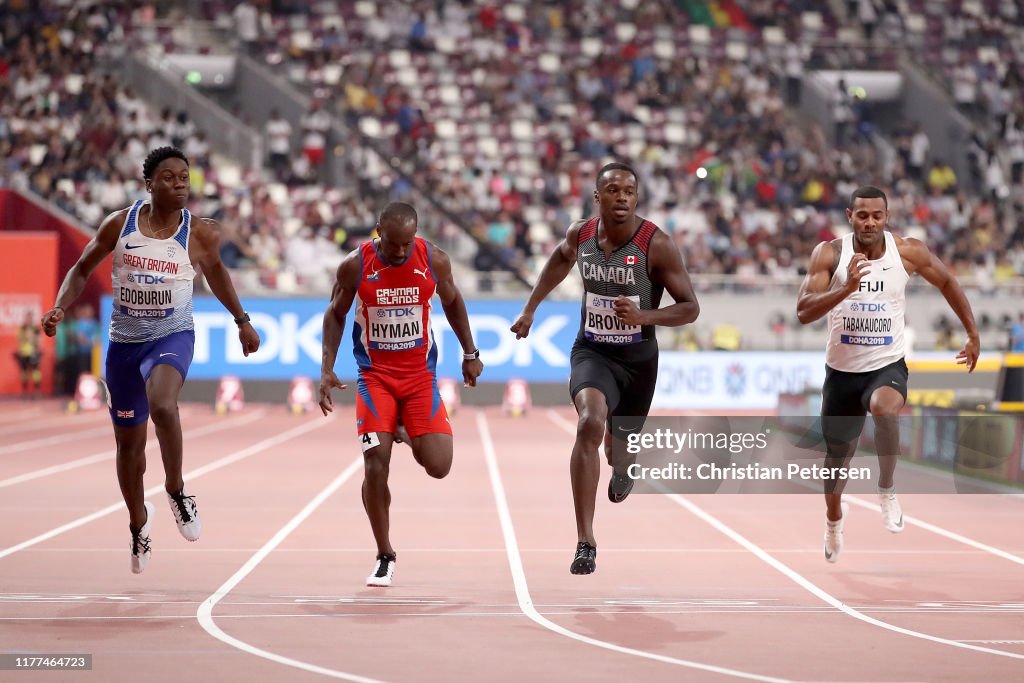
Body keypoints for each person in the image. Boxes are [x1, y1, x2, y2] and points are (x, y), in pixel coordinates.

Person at [41, 147, 261, 574]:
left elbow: (216, 273)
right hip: (124, 343)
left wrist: (242, 320)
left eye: (185, 178)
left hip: (172, 334)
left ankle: (177, 489)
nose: (180, 185)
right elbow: (82, 269)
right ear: (149, 184)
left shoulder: (199, 233)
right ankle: (138, 521)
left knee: (163, 404)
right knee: (129, 446)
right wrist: (59, 306)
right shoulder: (119, 224)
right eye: (169, 178)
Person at [510, 162, 700, 575]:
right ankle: (585, 541)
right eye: (613, 191)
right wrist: (530, 309)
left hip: (637, 363)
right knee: (589, 423)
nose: (622, 198)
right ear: (598, 197)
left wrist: (644, 317)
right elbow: (560, 262)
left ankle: (625, 462)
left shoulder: (656, 244)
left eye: (630, 192)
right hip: (592, 352)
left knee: (619, 447)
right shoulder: (581, 235)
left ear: (637, 197)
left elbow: (690, 308)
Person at [796, 185, 979, 563]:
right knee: (836, 462)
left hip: (887, 364)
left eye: (877, 215)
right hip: (843, 371)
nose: (870, 222)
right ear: (850, 217)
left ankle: (887, 489)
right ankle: (833, 519)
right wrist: (846, 287)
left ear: (886, 216)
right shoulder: (830, 254)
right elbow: (803, 311)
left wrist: (972, 333)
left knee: (885, 408)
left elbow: (947, 281)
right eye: (862, 215)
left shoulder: (908, 251)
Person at [318, 202, 483, 587]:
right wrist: (327, 368)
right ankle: (384, 553)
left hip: (419, 378)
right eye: (393, 244)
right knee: (376, 463)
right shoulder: (355, 265)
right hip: (375, 379)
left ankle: (403, 431)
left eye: (407, 244)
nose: (400, 252)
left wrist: (470, 353)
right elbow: (335, 314)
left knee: (440, 466)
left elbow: (454, 301)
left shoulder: (434, 260)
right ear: (378, 232)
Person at [14, 312, 42, 398]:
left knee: (35, 372)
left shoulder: (35, 329)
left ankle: (37, 392)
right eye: (27, 318)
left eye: (30, 318)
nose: (29, 319)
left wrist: (36, 345)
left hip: (33, 353)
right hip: (24, 353)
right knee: (24, 372)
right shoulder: (22, 329)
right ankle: (25, 392)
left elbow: (39, 340)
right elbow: (19, 340)